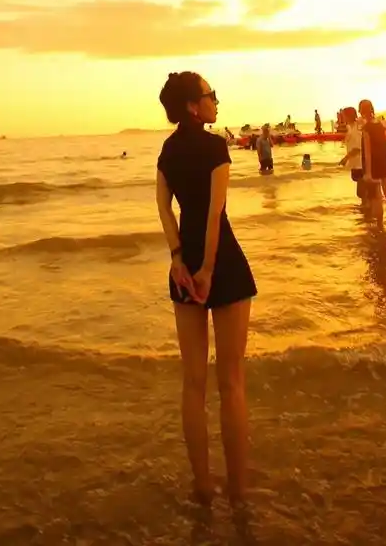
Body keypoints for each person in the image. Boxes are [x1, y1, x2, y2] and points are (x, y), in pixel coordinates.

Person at [156, 71, 256, 507]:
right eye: (211, 95)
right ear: (194, 106)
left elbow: (162, 205)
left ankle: (203, 485)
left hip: (183, 268)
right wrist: (209, 269)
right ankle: (237, 489)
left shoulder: (168, 150)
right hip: (223, 265)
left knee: (192, 384)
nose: (217, 101)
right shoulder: (216, 146)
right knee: (231, 382)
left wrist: (180, 258)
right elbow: (215, 214)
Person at [359, 99, 386, 230]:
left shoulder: (366, 128)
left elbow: (367, 152)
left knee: (378, 198)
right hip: (385, 161)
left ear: (361, 111)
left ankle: (380, 226)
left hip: (374, 165)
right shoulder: (379, 124)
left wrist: (368, 173)